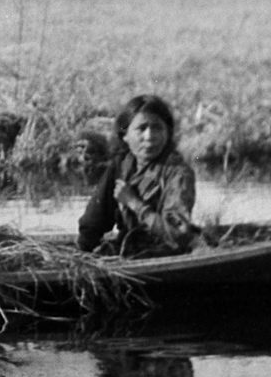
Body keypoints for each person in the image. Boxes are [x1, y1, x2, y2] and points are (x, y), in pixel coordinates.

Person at [77, 94, 201, 256]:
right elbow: (93, 221)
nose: (149, 137)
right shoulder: (121, 165)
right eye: (141, 128)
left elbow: (177, 234)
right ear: (125, 135)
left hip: (165, 252)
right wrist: (82, 254)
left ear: (167, 133)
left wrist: (134, 203)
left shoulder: (178, 173)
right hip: (129, 249)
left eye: (157, 128)